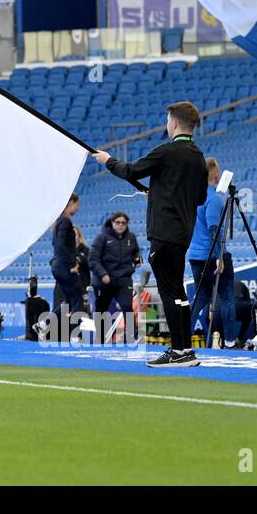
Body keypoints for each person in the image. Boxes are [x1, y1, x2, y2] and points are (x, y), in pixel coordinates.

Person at [94, 101, 207, 368]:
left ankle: (178, 351)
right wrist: (159, 193)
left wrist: (108, 160)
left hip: (163, 232)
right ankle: (185, 349)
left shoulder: (167, 151)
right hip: (182, 234)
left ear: (175, 124)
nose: (167, 125)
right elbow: (199, 197)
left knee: (169, 292)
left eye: (168, 121)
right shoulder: (198, 156)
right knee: (178, 292)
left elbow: (131, 170)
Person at [188, 157, 235, 347]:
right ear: (216, 177)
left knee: (200, 298)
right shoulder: (213, 199)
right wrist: (219, 256)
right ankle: (231, 341)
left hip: (195, 255)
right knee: (226, 297)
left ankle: (182, 336)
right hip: (212, 254)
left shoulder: (191, 197)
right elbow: (213, 228)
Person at [89, 212, 140, 344]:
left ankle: (132, 337)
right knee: (101, 310)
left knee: (127, 307)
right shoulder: (102, 238)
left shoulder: (131, 237)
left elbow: (136, 253)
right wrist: (103, 274)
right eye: (118, 222)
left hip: (123, 279)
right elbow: (93, 259)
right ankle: (99, 338)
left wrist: (137, 259)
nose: (121, 225)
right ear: (112, 223)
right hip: (104, 281)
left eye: (123, 223)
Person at [49, 193, 81, 338]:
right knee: (77, 299)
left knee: (68, 300)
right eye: (77, 204)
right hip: (63, 265)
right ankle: (75, 335)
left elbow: (56, 244)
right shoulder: (65, 222)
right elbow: (61, 244)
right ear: (71, 203)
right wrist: (72, 263)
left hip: (57, 265)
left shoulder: (58, 223)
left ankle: (44, 323)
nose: (77, 208)